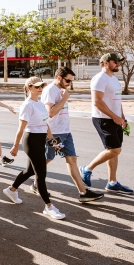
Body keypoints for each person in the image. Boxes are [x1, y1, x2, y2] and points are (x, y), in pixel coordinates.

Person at [3, 77, 66, 220]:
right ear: (29, 87)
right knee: (41, 175)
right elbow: (21, 128)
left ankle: (11, 190)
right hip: (31, 141)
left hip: (40, 140)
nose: (40, 88)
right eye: (37, 86)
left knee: (29, 170)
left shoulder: (40, 103)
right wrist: (14, 146)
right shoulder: (27, 105)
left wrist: (52, 141)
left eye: (41, 85)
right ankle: (49, 207)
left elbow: (45, 124)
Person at [39, 67, 104, 202]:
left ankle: (83, 193)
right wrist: (64, 98)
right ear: (59, 78)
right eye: (68, 80)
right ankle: (35, 183)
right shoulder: (50, 90)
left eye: (71, 81)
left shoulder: (62, 90)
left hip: (65, 131)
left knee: (72, 159)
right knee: (45, 159)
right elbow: (49, 112)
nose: (69, 84)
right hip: (53, 132)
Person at [80, 53, 133, 194]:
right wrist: (114, 117)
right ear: (105, 63)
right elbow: (97, 102)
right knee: (114, 149)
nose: (118, 64)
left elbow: (117, 100)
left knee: (114, 151)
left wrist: (122, 117)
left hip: (115, 118)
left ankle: (112, 182)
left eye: (118, 62)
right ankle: (87, 169)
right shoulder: (99, 79)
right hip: (103, 118)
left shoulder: (114, 79)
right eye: (115, 62)